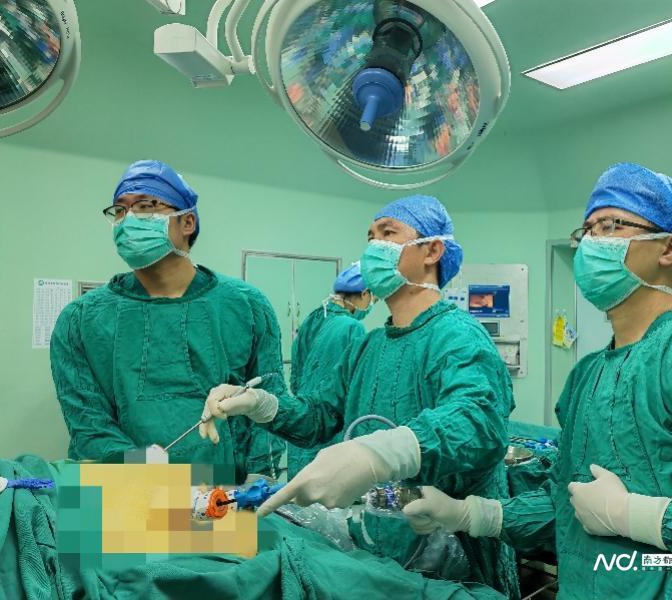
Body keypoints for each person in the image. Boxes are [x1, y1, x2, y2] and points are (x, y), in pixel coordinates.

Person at [400, 163, 672, 599]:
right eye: (585, 230)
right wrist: (471, 515)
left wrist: (638, 517)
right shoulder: (587, 375)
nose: (589, 242)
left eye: (610, 225)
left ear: (669, 247)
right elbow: (568, 504)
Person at [199, 195, 520, 598]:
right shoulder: (370, 345)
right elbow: (320, 418)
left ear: (432, 251)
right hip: (379, 551)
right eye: (370, 236)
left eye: (388, 233)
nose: (373, 247)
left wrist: (384, 453)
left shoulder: (458, 336)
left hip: (455, 559)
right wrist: (263, 406)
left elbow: (478, 424)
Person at [50, 160, 286, 483]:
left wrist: (259, 481)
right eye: (119, 210)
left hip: (222, 491)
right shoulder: (79, 320)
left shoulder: (246, 306)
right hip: (121, 490)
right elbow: (88, 427)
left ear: (187, 222)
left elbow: (269, 405)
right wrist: (159, 483)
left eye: (145, 206)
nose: (128, 220)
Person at [286, 263, 374, 478]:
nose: (370, 305)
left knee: (298, 490)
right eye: (373, 299)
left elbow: (296, 377)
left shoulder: (314, 318)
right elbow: (354, 390)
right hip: (329, 431)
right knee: (326, 489)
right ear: (364, 293)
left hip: (302, 421)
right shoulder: (352, 327)